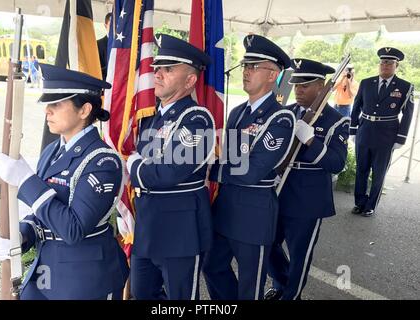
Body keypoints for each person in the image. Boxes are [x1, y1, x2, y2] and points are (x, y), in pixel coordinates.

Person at [0, 63, 129, 300]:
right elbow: (42, 213)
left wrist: (26, 180)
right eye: (48, 104)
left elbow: (73, 229)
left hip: (85, 277)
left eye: (56, 104)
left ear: (84, 110)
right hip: (46, 269)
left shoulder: (102, 161)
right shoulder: (52, 151)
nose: (47, 111)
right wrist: (21, 235)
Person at [202, 34, 296, 300]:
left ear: (272, 75)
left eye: (255, 67)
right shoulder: (238, 112)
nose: (246, 71)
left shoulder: (281, 117)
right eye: (245, 66)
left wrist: (212, 171)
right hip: (226, 207)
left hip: (253, 213)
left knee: (250, 284)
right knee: (213, 267)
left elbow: (253, 170)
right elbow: (232, 157)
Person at [125, 34, 215, 300]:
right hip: (147, 227)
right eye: (158, 68)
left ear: (190, 80)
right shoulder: (152, 116)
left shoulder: (197, 119)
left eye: (168, 69)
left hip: (179, 231)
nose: (158, 74)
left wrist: (133, 164)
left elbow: (167, 173)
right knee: (143, 294)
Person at [264, 58, 350, 300]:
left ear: (321, 86)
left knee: (300, 254)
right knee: (267, 243)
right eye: (296, 85)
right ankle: (281, 283)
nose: (298, 90)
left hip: (307, 198)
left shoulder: (336, 120)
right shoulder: (287, 112)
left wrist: (312, 141)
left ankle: (291, 296)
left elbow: (336, 163)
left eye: (305, 85)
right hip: (278, 190)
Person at [350, 47, 415, 217]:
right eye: (383, 62)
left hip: (386, 135)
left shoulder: (405, 86)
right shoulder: (366, 82)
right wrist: (353, 129)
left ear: (396, 65)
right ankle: (359, 203)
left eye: (389, 62)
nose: (385, 65)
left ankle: (371, 205)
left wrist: (401, 138)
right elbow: (356, 107)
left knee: (378, 173)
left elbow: (408, 114)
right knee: (361, 170)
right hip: (365, 132)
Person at [97, 12, 112, 80]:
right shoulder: (98, 45)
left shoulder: (125, 45)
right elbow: (97, 68)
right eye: (111, 26)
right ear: (105, 26)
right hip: (105, 85)